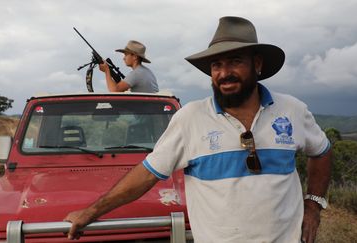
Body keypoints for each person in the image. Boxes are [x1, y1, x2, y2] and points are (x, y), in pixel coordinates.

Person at [65, 16, 332, 243]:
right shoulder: (190, 118)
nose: (223, 73)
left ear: (258, 64)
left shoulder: (293, 110)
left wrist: (313, 205)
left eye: (235, 61)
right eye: (216, 65)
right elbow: (146, 175)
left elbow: (321, 151)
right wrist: (91, 211)